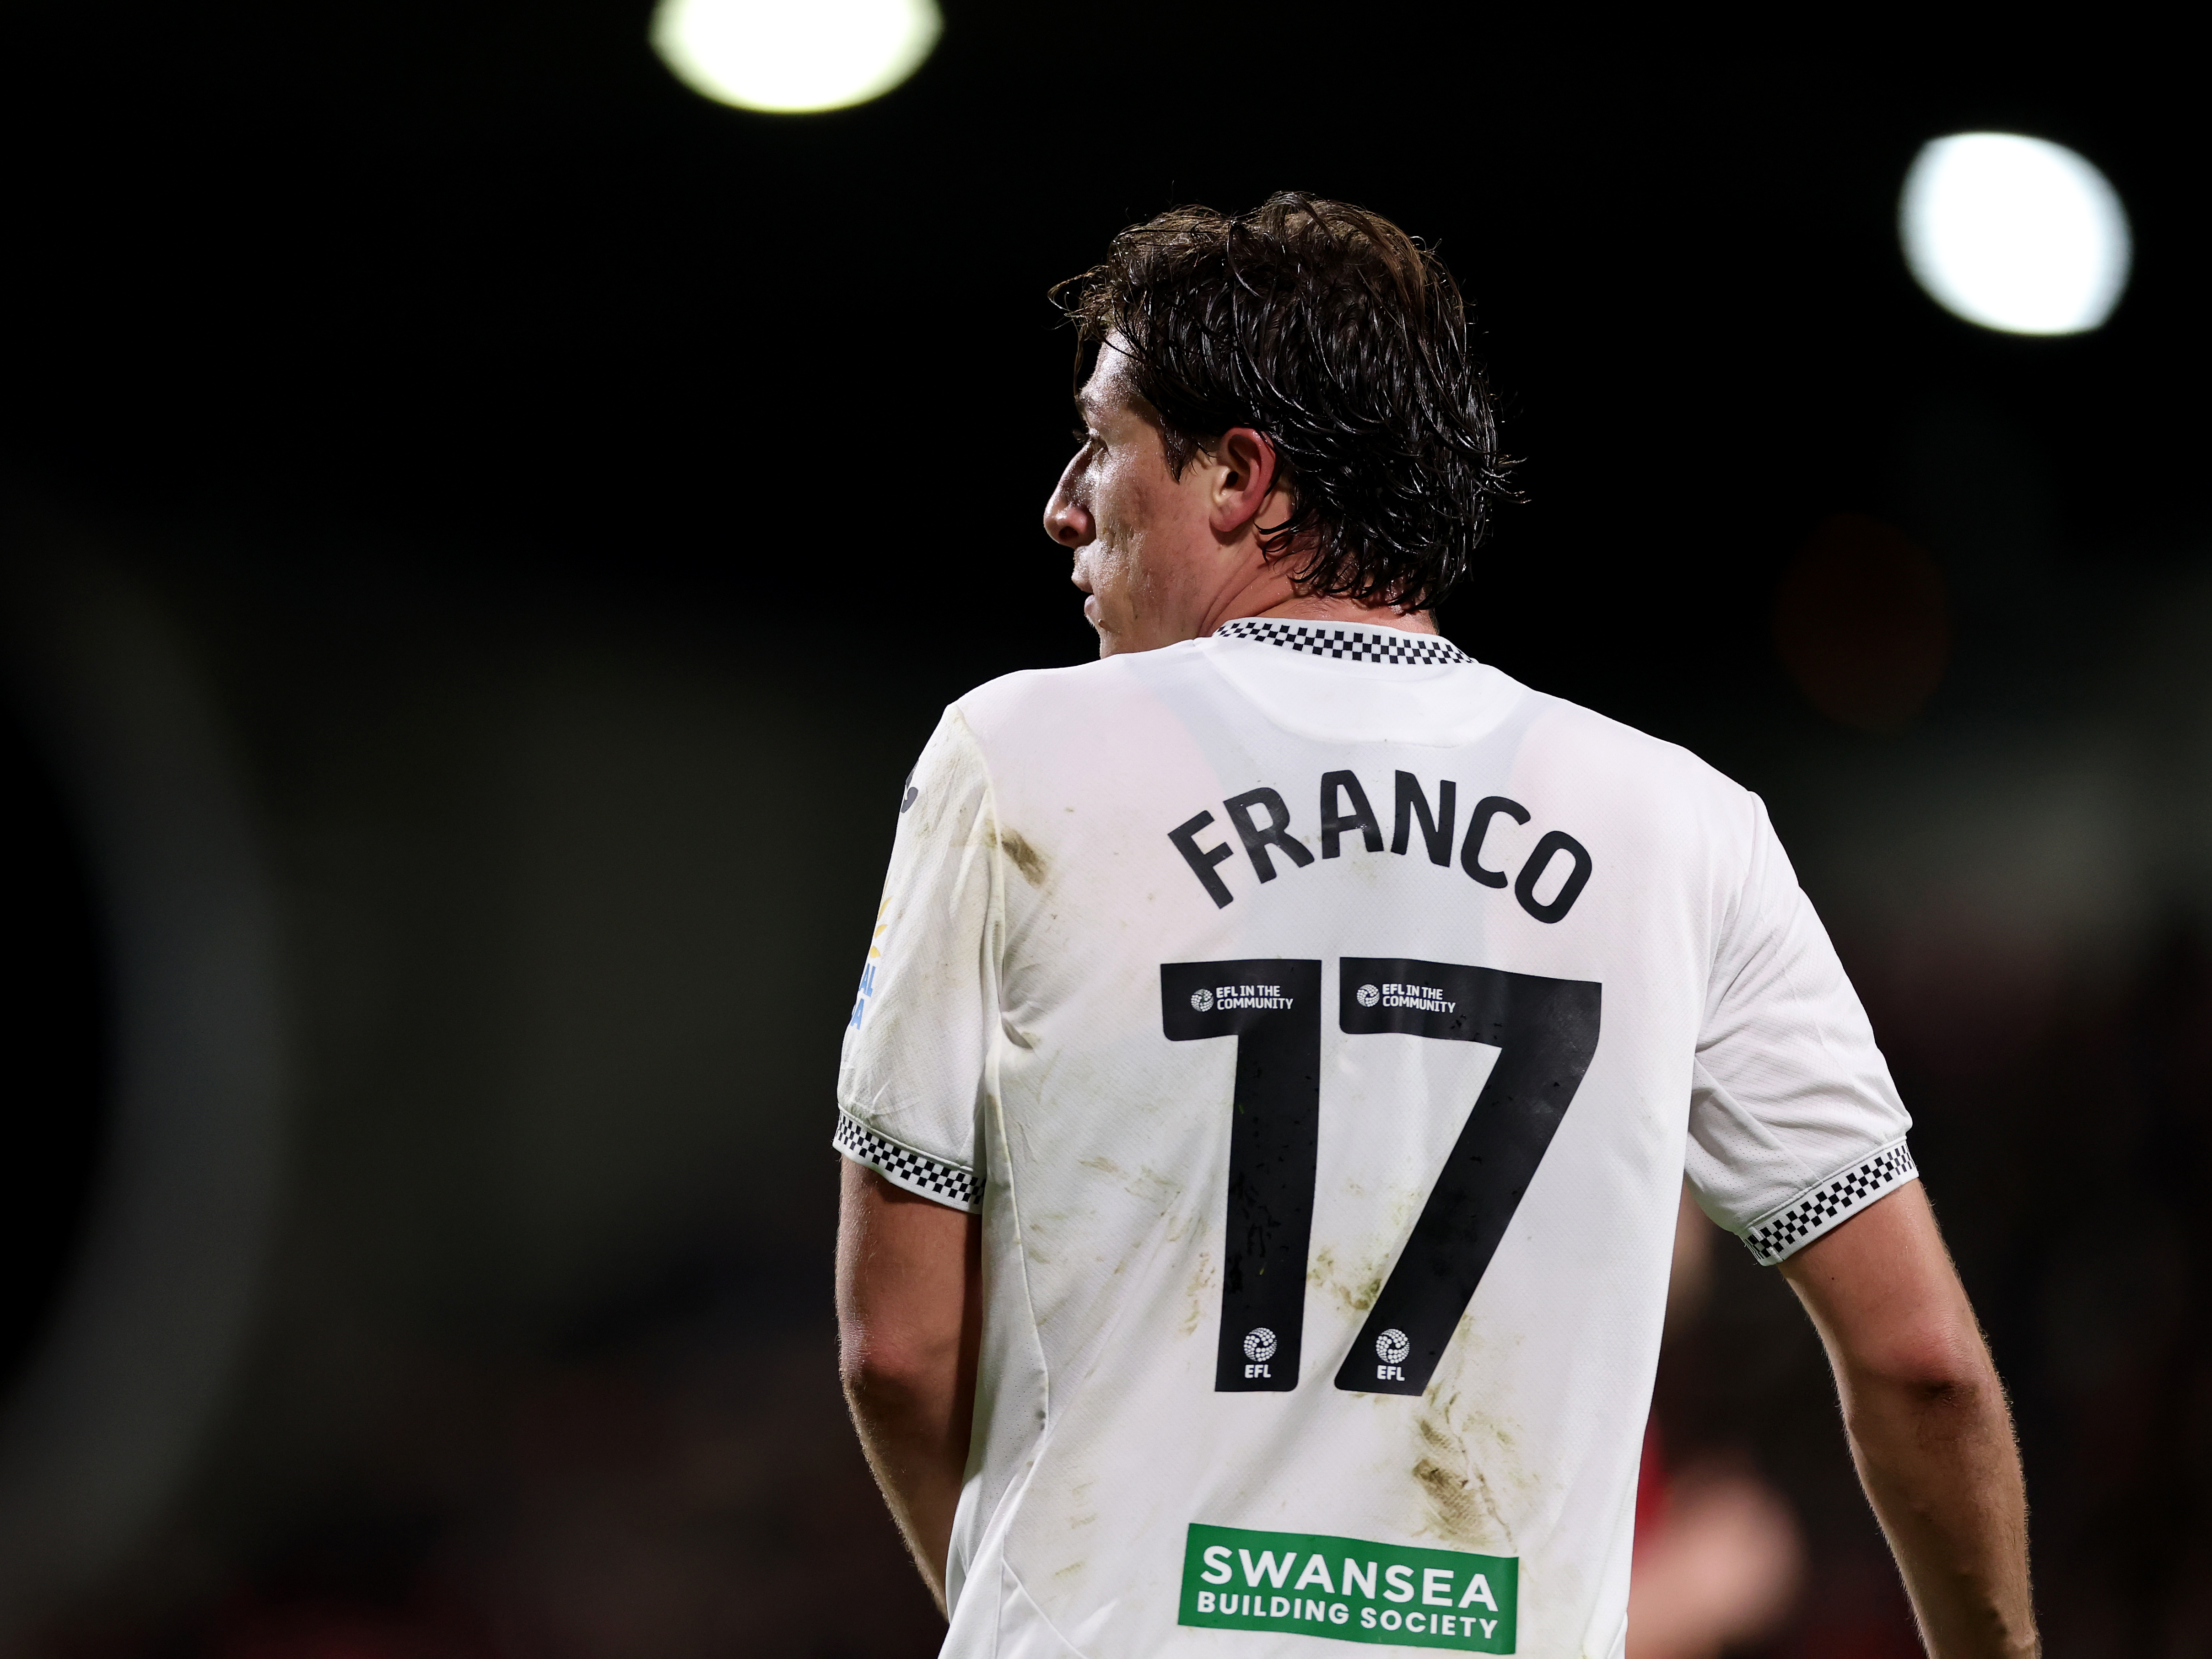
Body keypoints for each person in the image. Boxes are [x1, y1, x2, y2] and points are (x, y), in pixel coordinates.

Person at [830, 194, 2035, 1659]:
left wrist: (1023, 1615)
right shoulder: (1683, 823)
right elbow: (1922, 1364)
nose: (1065, 505)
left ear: (1238, 477)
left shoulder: (1013, 756)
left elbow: (897, 1350)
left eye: (1101, 441)